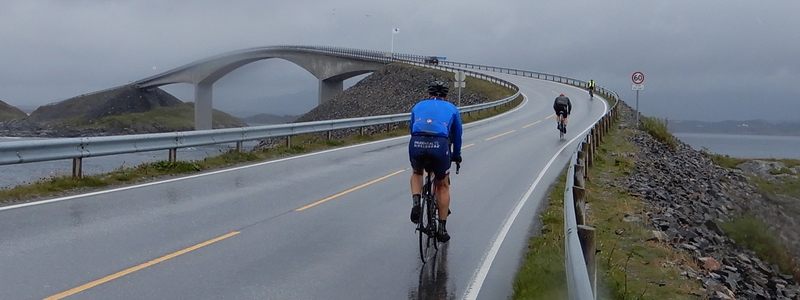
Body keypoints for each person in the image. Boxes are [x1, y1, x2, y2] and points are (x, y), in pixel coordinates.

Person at [408, 81, 463, 243]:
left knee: (417, 172)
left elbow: (412, 129)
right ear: (445, 97)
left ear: (428, 95)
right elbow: (457, 135)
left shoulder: (418, 106)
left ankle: (416, 203)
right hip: (439, 144)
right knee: (442, 185)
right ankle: (442, 229)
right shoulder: (452, 108)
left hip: (417, 141)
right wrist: (456, 155)